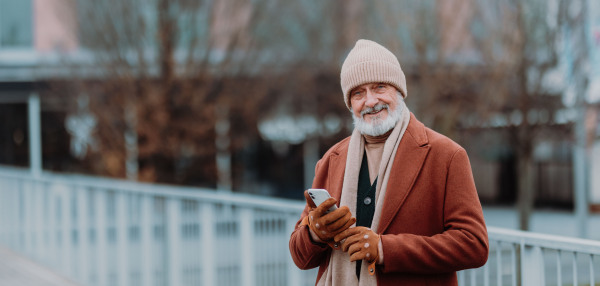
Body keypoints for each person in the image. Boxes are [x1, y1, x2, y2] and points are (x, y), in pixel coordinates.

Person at [289, 39, 489, 286]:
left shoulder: (447, 155)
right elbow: (300, 257)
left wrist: (385, 249)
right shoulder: (331, 160)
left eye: (379, 87)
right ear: (350, 103)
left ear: (399, 91)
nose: (370, 101)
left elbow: (474, 245)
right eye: (358, 93)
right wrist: (314, 233)